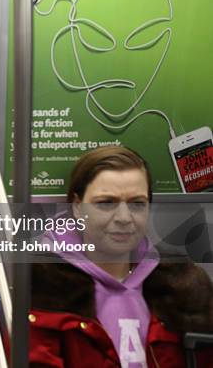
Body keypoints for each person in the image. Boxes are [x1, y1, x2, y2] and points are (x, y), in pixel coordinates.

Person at [29, 146, 213, 367]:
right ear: (77, 207)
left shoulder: (183, 285)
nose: (124, 217)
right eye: (106, 203)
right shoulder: (43, 287)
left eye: (137, 203)